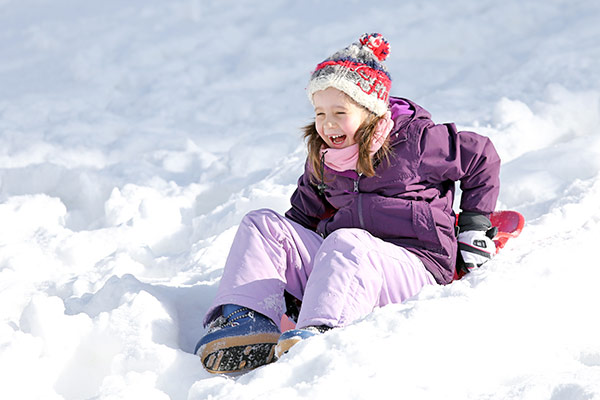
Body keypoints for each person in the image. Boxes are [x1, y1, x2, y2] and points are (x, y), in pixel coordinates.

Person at [194, 33, 501, 374]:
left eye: (340, 111)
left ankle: (322, 332)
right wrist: (292, 278)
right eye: (320, 112)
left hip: (416, 267)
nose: (327, 124)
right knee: (263, 224)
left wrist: (475, 223)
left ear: (370, 110)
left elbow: (481, 156)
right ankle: (247, 320)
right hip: (344, 267)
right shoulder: (325, 159)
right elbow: (300, 220)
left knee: (348, 241)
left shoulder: (416, 142)